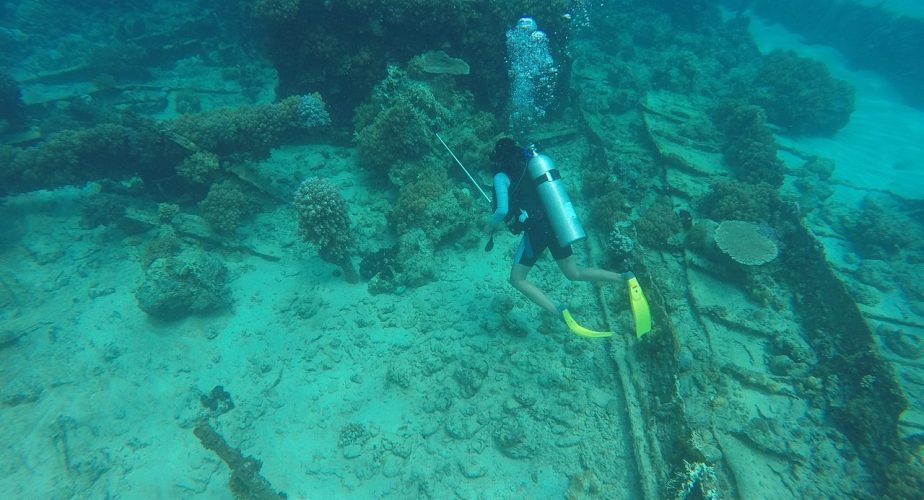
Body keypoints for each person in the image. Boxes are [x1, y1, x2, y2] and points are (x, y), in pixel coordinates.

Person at [484, 138, 633, 337]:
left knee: (517, 279)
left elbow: (502, 210)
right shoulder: (531, 165)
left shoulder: (501, 176)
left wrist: (489, 226)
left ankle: (558, 311)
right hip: (557, 223)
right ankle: (624, 278)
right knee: (574, 272)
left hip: (537, 231)